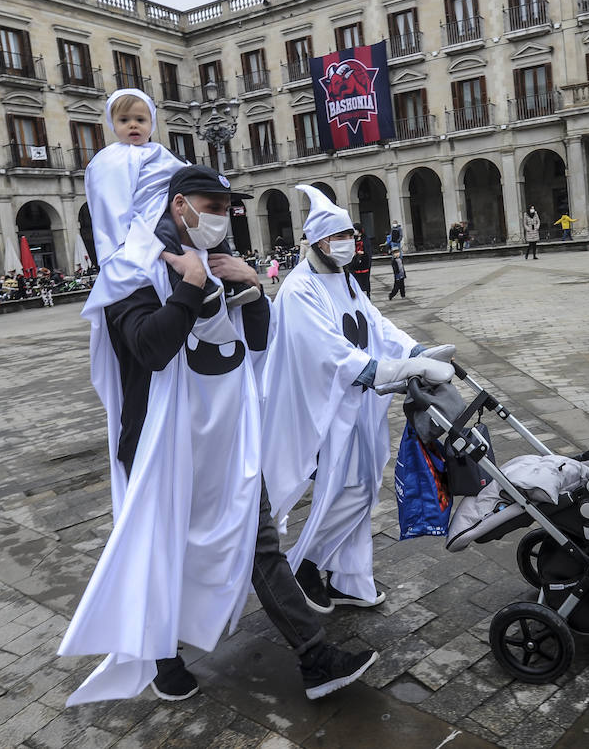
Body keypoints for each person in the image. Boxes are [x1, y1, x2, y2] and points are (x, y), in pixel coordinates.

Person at [60, 161, 378, 705]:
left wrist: (253, 291)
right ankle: (163, 658)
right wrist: (191, 285)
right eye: (211, 209)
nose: (222, 220)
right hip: (162, 444)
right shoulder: (129, 267)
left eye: (227, 209)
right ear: (178, 205)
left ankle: (316, 657)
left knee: (258, 542)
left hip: (225, 432)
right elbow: (149, 348)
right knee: (164, 549)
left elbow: (256, 344)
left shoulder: (216, 258)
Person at [262, 185, 455, 616]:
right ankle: (304, 565)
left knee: (363, 487)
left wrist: (416, 353)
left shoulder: (343, 278)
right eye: (340, 237)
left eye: (351, 234)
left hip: (360, 403)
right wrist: (389, 371)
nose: (349, 243)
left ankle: (351, 578)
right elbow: (324, 350)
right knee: (349, 488)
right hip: (325, 408)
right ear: (318, 242)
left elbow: (377, 325)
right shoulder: (298, 289)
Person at [349, 224, 372, 296]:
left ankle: (367, 293)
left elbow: (368, 251)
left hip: (364, 261)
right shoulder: (354, 239)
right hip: (356, 261)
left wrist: (363, 253)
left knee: (365, 279)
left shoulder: (365, 239)